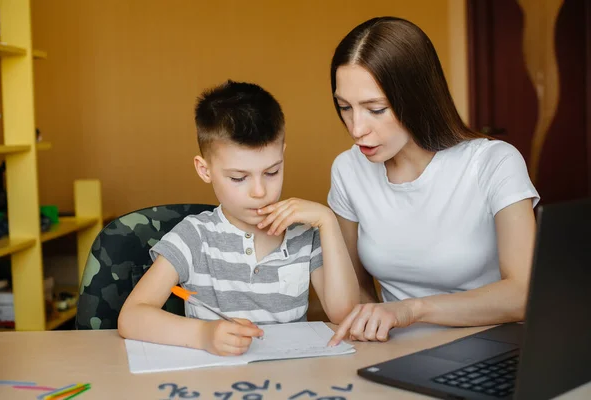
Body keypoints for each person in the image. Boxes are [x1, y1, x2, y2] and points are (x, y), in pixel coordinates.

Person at [327, 17, 539, 346]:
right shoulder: (348, 170)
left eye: (376, 109)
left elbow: (523, 293)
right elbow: (357, 289)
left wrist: (412, 310)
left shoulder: (494, 162)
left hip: (491, 348)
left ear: (416, 98)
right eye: (345, 107)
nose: (356, 129)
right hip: (390, 350)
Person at [118, 80, 359, 356]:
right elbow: (132, 317)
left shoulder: (305, 235)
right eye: (238, 177)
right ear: (204, 170)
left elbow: (345, 314)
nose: (260, 191)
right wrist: (204, 335)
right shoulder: (195, 237)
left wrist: (327, 221)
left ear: (283, 156)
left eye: (272, 172)